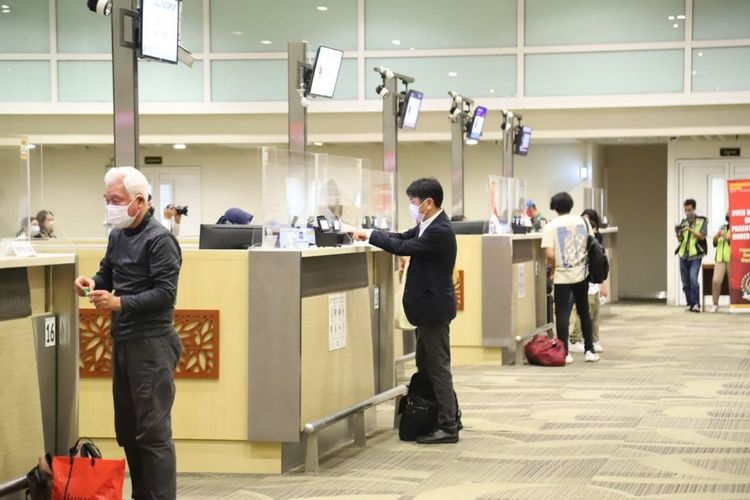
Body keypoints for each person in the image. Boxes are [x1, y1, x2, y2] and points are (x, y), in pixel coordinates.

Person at [73, 166, 182, 500]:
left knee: (153, 433)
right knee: (129, 430)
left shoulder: (160, 240)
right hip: (123, 340)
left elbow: (165, 294)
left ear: (138, 201)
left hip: (152, 344)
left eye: (116, 200)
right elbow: (108, 272)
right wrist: (93, 282)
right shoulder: (118, 234)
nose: (110, 206)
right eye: (106, 200)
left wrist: (119, 302)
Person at [353, 178, 460, 444]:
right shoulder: (426, 225)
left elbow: (403, 248)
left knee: (437, 367)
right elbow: (401, 237)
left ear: (428, 202)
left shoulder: (440, 230)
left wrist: (369, 235)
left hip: (433, 309)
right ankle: (448, 416)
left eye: (413, 202)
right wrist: (370, 233)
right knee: (427, 364)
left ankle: (449, 426)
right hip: (427, 309)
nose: (411, 207)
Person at [541, 192, 599, 364]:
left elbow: (550, 254)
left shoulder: (551, 226)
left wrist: (553, 268)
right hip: (581, 274)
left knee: (563, 314)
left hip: (562, 277)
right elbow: (592, 244)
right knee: (584, 312)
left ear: (554, 207)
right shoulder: (583, 221)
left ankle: (564, 352)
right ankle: (589, 349)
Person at [569, 209, 606, 353]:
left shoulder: (597, 241)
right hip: (585, 281)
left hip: (595, 282)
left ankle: (594, 339)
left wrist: (602, 283)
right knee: (585, 311)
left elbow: (601, 263)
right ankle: (575, 338)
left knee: (595, 312)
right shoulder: (579, 240)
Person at [676, 199, 708, 312]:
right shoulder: (683, 222)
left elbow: (702, 236)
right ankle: (690, 304)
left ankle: (696, 304)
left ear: (694, 209)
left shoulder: (702, 221)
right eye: (686, 210)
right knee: (685, 282)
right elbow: (681, 240)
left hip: (695, 256)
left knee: (693, 279)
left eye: (689, 210)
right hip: (683, 255)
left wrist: (690, 229)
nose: (687, 212)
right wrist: (678, 234)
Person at [711, 211, 731, 313]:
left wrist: (726, 237)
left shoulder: (738, 228)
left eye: (729, 212)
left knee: (732, 283)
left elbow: (731, 241)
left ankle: (734, 304)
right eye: (727, 213)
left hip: (732, 259)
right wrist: (717, 235)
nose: (727, 214)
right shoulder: (722, 227)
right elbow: (714, 242)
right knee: (716, 281)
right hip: (720, 258)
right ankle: (715, 304)